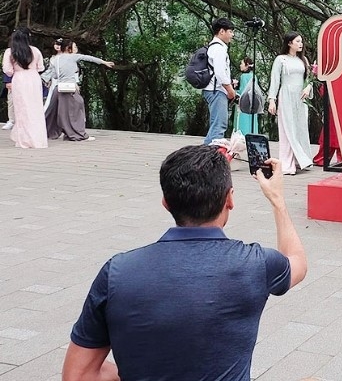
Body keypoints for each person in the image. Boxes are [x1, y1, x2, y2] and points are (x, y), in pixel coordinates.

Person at [61, 145, 307, 381]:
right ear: (229, 199)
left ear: (166, 203)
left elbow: (79, 375)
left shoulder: (116, 272)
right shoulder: (257, 264)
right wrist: (277, 199)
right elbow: (297, 262)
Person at [43, 40, 114, 141]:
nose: (76, 49)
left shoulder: (56, 59)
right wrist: (104, 62)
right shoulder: (73, 57)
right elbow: (89, 58)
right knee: (76, 110)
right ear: (68, 48)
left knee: (54, 112)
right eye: (74, 47)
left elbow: (54, 75)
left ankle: (48, 132)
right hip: (69, 89)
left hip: (58, 88)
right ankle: (78, 134)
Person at [268, 32, 314, 175]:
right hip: (286, 95)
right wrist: (272, 100)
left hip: (301, 98)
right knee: (287, 128)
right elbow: (275, 80)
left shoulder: (303, 60)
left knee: (300, 128)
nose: (301, 44)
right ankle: (287, 164)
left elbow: (310, 78)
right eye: (298, 41)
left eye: (301, 41)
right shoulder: (281, 59)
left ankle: (301, 160)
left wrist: (308, 87)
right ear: (289, 43)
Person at [2, 28, 46, 148]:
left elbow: (7, 70)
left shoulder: (10, 52)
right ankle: (38, 139)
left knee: (22, 109)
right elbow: (41, 68)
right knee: (35, 108)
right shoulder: (35, 50)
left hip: (19, 78)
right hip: (34, 78)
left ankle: (25, 139)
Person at [203, 18, 236, 145]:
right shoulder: (219, 49)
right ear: (222, 31)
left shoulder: (215, 47)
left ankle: (204, 156)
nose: (232, 35)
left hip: (214, 89)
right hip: (216, 90)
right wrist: (230, 90)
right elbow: (220, 73)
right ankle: (210, 158)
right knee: (219, 126)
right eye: (230, 32)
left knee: (216, 125)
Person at [234, 56, 259, 135]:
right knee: (252, 122)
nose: (240, 65)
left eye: (242, 64)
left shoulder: (243, 76)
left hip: (243, 105)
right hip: (253, 104)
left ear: (247, 65)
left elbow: (242, 92)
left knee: (242, 122)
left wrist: (235, 89)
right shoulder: (254, 76)